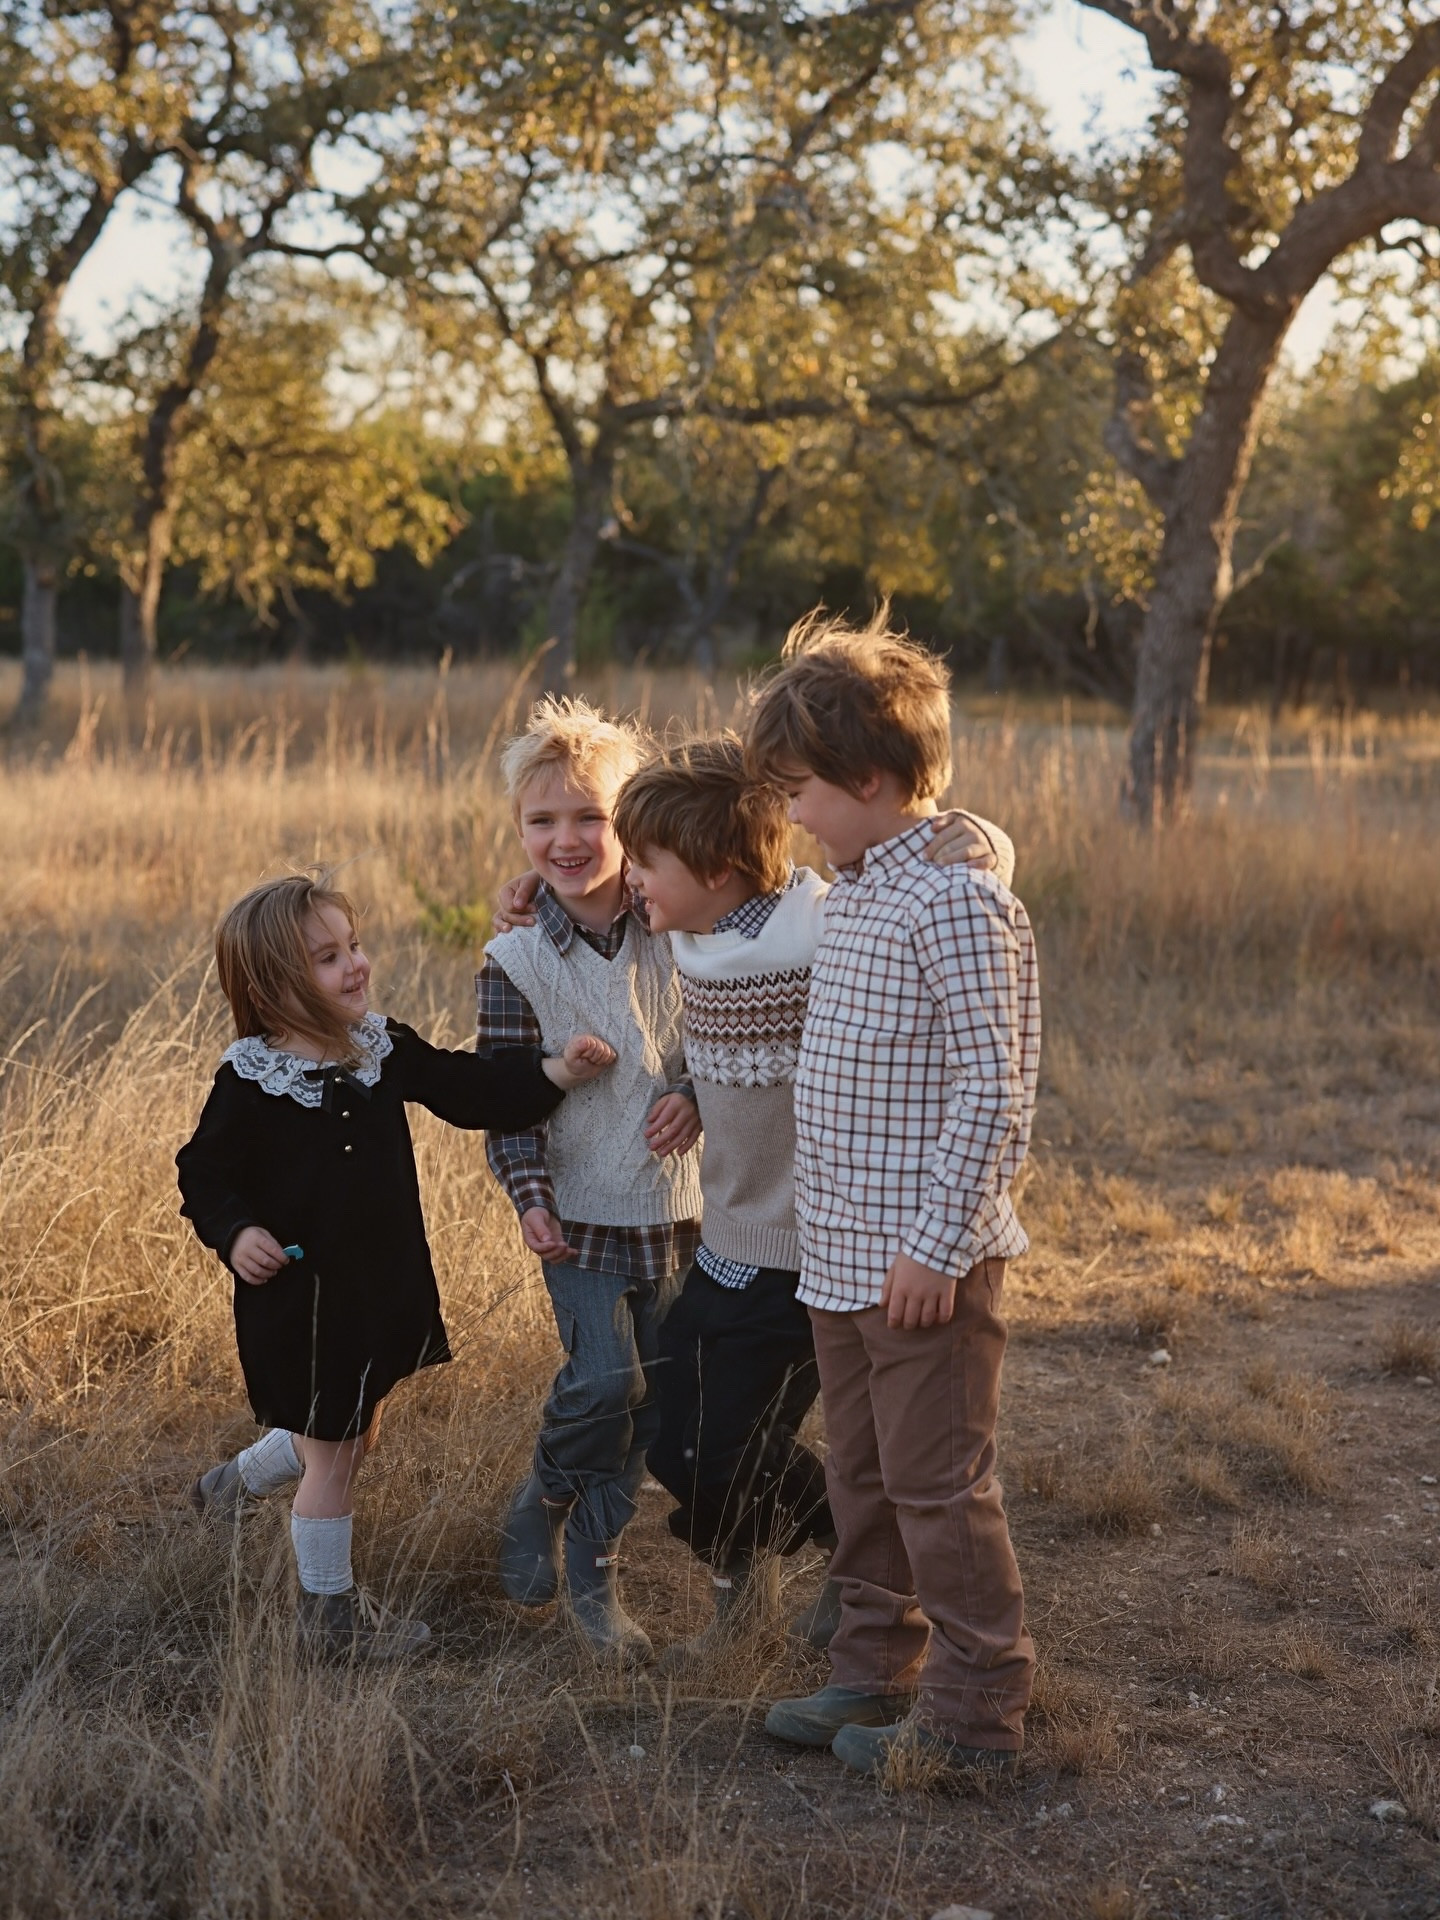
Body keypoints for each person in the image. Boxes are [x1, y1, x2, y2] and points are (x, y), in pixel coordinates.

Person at [611, 737, 1015, 1665]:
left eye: (647, 863)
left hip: (813, 1249)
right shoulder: (684, 928)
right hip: (728, 1236)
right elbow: (701, 1038)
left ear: (716, 869)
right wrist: (684, 1087)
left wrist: (981, 841)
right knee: (677, 1432)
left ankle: (855, 1555)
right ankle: (829, 1548)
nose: (632, 879)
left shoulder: (821, 925)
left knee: (730, 1440)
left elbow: (954, 871)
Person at [177, 872, 614, 1662]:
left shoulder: (378, 1048)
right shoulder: (251, 1079)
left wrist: (555, 1074)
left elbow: (466, 1086)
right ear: (273, 987)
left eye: (354, 946)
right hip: (298, 1298)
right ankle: (329, 1619)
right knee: (335, 1451)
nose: (357, 966)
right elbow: (203, 1173)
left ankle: (231, 1486)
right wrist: (237, 1233)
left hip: (375, 1290)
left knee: (352, 1427)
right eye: (328, 958)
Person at [747, 608, 1040, 1780]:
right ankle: (873, 1673)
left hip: (927, 1261)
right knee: (863, 1474)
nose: (790, 815)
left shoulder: (956, 900)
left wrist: (934, 1247)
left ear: (870, 780)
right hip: (841, 1253)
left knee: (937, 1483)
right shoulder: (858, 881)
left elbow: (994, 1094)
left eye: (802, 793)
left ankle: (975, 1718)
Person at [478, 697, 702, 1665]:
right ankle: (546, 1497)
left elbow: (723, 1038)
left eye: (590, 818)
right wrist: (529, 1198)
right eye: (541, 821)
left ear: (633, 822)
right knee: (603, 1380)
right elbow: (504, 1094)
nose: (565, 841)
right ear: (519, 831)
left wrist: (693, 1092)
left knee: (655, 1407)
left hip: (682, 1209)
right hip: (575, 1210)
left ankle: (594, 1579)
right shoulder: (515, 956)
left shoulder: (683, 922)